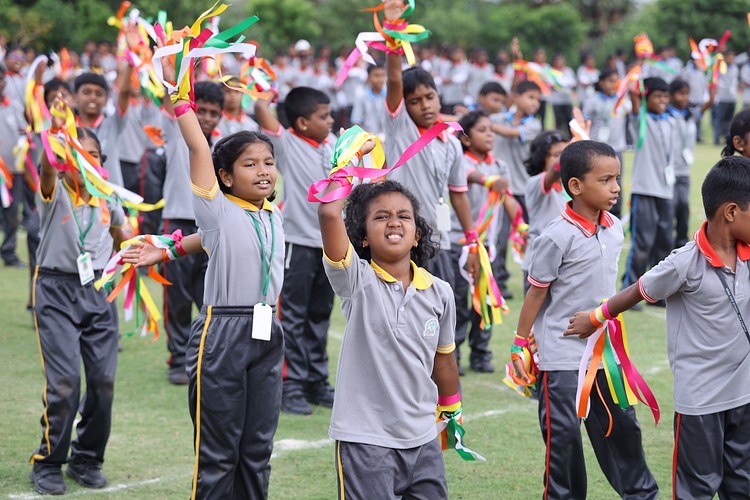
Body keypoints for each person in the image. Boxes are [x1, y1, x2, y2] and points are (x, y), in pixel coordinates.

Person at [566, 155, 750, 499]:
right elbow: (638, 290)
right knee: (698, 486)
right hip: (701, 400)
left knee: (742, 484)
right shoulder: (685, 263)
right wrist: (595, 317)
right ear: (730, 212)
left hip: (744, 393)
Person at [152, 47, 287, 498]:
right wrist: (180, 95)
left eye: (268, 163)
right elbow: (197, 146)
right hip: (223, 331)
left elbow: (213, 241)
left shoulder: (271, 214)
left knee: (257, 448)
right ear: (225, 177)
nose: (263, 171)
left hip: (267, 330)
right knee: (219, 451)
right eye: (250, 164)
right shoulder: (216, 208)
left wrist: (170, 249)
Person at [512, 140, 658, 499]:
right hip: (560, 355)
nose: (616, 188)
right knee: (562, 439)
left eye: (617, 179)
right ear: (576, 186)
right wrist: (519, 343)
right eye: (605, 180)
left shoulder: (615, 228)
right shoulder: (555, 236)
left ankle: (642, 494)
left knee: (623, 428)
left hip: (604, 352)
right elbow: (536, 293)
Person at [319, 174, 461, 498]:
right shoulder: (356, 281)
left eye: (403, 216)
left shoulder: (440, 292)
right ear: (362, 238)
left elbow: (444, 359)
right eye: (381, 217)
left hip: (423, 438)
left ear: (417, 235)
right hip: (366, 440)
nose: (394, 222)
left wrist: (452, 409)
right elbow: (328, 212)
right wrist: (349, 163)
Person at [30, 98, 127, 495]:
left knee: (103, 381)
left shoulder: (108, 196)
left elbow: (121, 234)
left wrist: (137, 248)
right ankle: (49, 461)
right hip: (56, 290)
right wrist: (56, 132)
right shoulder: (55, 192)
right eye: (78, 154)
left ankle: (87, 458)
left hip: (99, 290)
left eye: (95, 155)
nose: (88, 161)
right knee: (66, 381)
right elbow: (47, 167)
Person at [383, 0, 478, 289]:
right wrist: (393, 31)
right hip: (403, 238)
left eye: (429, 97)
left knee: (443, 303)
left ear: (439, 97)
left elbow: (458, 194)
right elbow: (394, 79)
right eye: (415, 101)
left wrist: (472, 240)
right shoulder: (401, 129)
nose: (425, 105)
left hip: (440, 238)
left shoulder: (450, 141)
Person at [254, 86, 337, 415]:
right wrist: (267, 91)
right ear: (302, 122)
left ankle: (317, 380)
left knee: (320, 315)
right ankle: (292, 384)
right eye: (324, 116)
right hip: (297, 244)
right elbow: (261, 109)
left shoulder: (334, 146)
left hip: (328, 246)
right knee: (293, 316)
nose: (330, 121)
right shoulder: (287, 143)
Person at [159, 82, 223, 385]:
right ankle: (177, 358)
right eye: (202, 111)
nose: (207, 118)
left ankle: (206, 356)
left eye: (213, 113)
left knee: (209, 295)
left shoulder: (223, 145)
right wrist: (172, 74)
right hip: (178, 222)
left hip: (212, 227)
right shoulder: (177, 132)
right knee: (178, 294)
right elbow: (171, 99)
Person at [449, 110, 519, 374]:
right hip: (459, 241)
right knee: (458, 299)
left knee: (486, 300)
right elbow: (470, 175)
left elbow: (507, 198)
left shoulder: (500, 165)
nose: (489, 134)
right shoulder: (459, 160)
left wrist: (520, 225)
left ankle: (480, 352)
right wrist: (490, 181)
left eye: (491, 130)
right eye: (482, 130)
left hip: (487, 245)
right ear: (466, 139)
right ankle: (453, 353)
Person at [622, 77, 677, 293]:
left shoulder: (670, 121)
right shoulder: (641, 120)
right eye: (657, 96)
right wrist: (636, 87)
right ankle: (630, 288)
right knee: (642, 242)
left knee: (664, 242)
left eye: (666, 96)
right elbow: (634, 99)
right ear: (646, 98)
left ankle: (658, 292)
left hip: (666, 191)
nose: (663, 100)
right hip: (645, 189)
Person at [489, 80, 543, 297]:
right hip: (502, 190)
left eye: (538, 99)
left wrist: (486, 124)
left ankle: (532, 281)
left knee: (531, 236)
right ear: (516, 97)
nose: (535, 103)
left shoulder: (533, 125)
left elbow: (510, 133)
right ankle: (498, 282)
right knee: (499, 238)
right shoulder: (498, 118)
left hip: (524, 190)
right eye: (530, 97)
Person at [521, 130, 567, 292]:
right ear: (541, 159)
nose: (563, 159)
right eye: (557, 155)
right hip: (537, 264)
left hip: (562, 265)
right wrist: (575, 148)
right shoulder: (535, 184)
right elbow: (555, 170)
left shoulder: (570, 189)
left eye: (564, 153)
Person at [669, 79, 712, 247]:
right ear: (671, 96)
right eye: (681, 94)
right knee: (670, 207)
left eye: (687, 94)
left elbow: (710, 102)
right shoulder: (666, 115)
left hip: (684, 171)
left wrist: (713, 83)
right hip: (669, 171)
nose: (685, 98)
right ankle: (666, 241)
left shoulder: (690, 115)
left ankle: (681, 242)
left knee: (683, 206)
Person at [582, 68, 630, 217]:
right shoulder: (592, 101)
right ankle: (597, 214)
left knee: (616, 183)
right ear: (601, 83)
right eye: (610, 81)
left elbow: (633, 111)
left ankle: (615, 217)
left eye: (616, 81)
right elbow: (584, 122)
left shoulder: (621, 100)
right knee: (599, 182)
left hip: (617, 149)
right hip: (597, 150)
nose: (614, 84)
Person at [350, 64, 387, 142]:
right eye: (376, 76)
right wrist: (370, 137)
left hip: (388, 140)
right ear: (369, 77)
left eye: (383, 75)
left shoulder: (390, 95)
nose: (380, 79)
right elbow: (356, 122)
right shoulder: (361, 96)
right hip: (369, 141)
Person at [713, 50, 739, 146]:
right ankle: (716, 139)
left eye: (732, 57)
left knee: (729, 120)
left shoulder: (735, 68)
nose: (731, 59)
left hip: (732, 97)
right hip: (722, 97)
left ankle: (727, 139)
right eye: (729, 57)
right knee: (719, 119)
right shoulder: (720, 67)